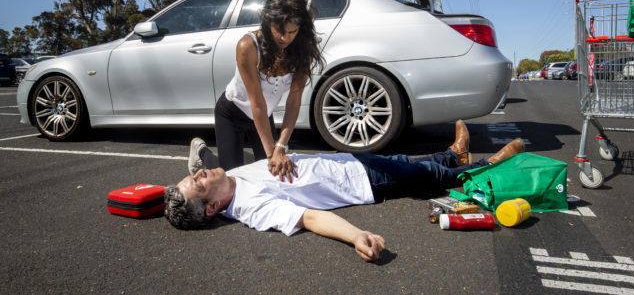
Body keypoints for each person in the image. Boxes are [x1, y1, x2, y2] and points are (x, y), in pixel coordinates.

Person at [165, 120, 525, 262]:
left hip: (344, 162)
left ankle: (453, 152)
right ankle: (490, 166)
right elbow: (308, 217)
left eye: (194, 175)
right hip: (361, 181)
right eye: (197, 182)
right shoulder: (250, 208)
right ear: (212, 208)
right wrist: (356, 236)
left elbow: (191, 189)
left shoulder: (226, 180)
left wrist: (168, 198)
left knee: (407, 159)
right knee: (427, 175)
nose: (199, 174)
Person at [200, 0, 325, 180]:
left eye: (292, 32)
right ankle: (202, 153)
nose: (286, 38)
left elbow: (294, 100)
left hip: (263, 116)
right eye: (280, 32)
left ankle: (246, 157)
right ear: (268, 24)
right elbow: (256, 102)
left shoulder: (302, 52)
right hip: (232, 113)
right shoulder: (248, 46)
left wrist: (280, 147)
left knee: (271, 174)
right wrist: (271, 155)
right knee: (231, 178)